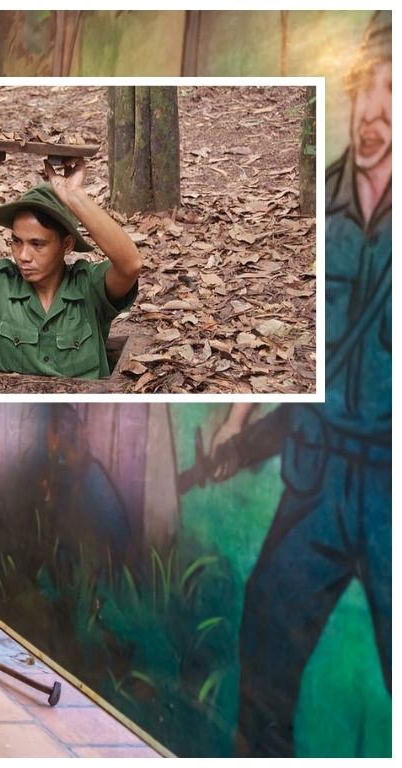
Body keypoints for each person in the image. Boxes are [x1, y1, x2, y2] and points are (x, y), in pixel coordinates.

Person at [210, 12, 390, 758]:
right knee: (265, 642)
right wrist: (236, 417)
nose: (373, 117)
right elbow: (279, 316)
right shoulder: (319, 201)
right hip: (314, 471)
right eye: (363, 96)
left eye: (392, 98)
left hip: (393, 485)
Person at [0, 153, 141, 379]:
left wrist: (75, 195)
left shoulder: (89, 288)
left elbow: (129, 265)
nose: (23, 256)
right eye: (16, 241)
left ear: (67, 244)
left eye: (37, 244)